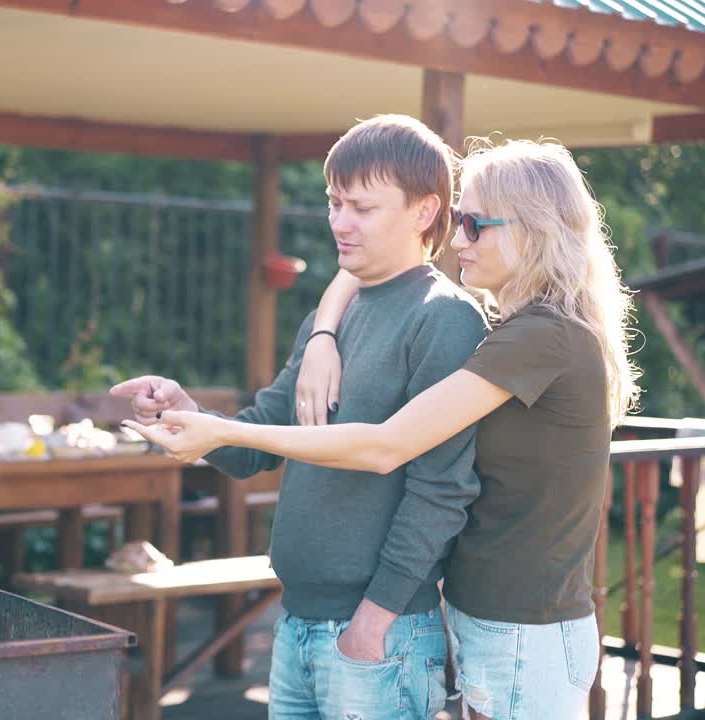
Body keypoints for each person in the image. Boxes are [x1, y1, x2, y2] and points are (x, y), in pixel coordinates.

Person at [126, 137, 640, 720]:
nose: (457, 239)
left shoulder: (530, 334)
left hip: (515, 628)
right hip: (469, 619)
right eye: (334, 203)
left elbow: (396, 452)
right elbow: (269, 427)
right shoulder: (509, 330)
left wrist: (374, 619)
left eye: (473, 224)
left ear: (535, 229)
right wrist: (201, 411)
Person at [113, 114, 488, 719]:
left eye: (361, 208)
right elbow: (259, 438)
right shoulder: (326, 322)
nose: (339, 222)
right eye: (335, 203)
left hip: (378, 636)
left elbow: (442, 490)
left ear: (424, 212)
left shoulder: (444, 318)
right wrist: (187, 412)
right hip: (296, 624)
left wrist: (374, 621)